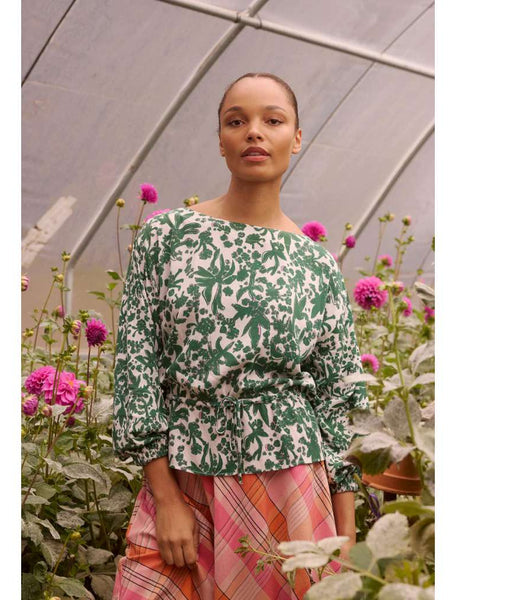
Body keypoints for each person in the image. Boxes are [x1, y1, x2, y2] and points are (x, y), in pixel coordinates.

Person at [111, 72, 369, 600]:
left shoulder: (318, 265)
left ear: (296, 138)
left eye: (273, 120)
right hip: (185, 478)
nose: (255, 132)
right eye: (237, 121)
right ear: (221, 140)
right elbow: (138, 368)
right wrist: (166, 499)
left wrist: (345, 537)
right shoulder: (166, 237)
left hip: (292, 487)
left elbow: (337, 400)